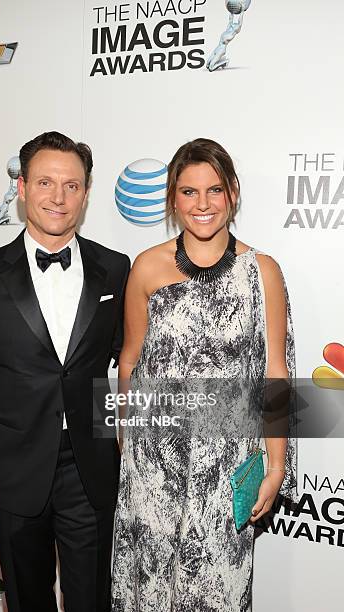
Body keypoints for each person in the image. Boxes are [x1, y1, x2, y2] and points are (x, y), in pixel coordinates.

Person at [0, 131, 130, 612]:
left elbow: (122, 359)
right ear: (23, 187)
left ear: (86, 194)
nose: (58, 197)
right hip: (11, 469)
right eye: (46, 182)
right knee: (27, 600)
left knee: (92, 599)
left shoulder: (115, 269)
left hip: (88, 467)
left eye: (72, 186)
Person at [111, 138, 298, 611]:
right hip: (152, 465)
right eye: (189, 192)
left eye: (214, 190)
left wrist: (276, 467)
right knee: (148, 587)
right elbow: (130, 359)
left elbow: (275, 374)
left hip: (226, 466)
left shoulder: (263, 272)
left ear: (233, 192)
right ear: (173, 198)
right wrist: (126, 435)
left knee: (217, 590)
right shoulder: (147, 266)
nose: (203, 204)